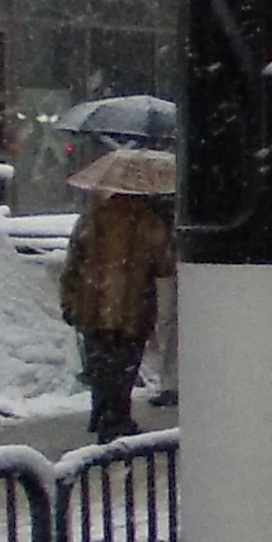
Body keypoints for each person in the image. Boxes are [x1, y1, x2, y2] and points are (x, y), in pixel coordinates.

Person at [59, 168, 176, 441]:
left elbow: (73, 263)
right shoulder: (149, 222)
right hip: (132, 308)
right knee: (124, 365)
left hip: (94, 306)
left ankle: (101, 413)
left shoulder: (93, 217)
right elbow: (165, 266)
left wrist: (68, 299)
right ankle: (117, 418)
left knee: (100, 364)